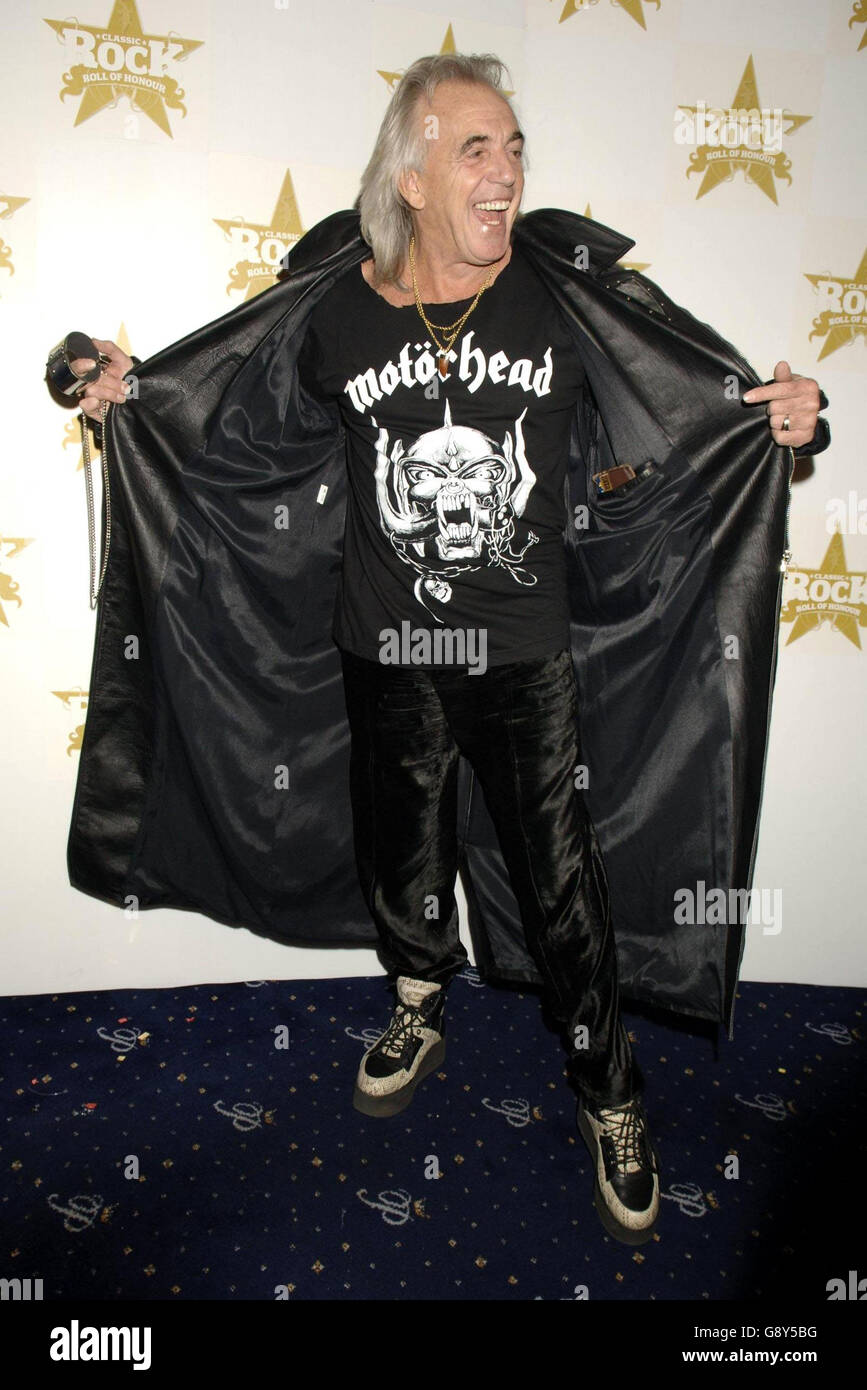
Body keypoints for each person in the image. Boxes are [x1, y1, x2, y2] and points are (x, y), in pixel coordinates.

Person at [63, 53, 827, 1247]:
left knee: (560, 880)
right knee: (400, 842)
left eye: (516, 147)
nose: (508, 170)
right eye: (479, 147)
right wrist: (122, 388)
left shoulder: (570, 293)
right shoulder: (337, 308)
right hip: (387, 643)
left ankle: (609, 1089)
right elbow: (231, 413)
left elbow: (693, 403)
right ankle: (421, 994)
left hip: (522, 651)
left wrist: (773, 414)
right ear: (412, 172)